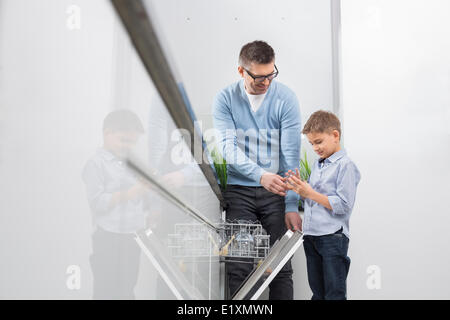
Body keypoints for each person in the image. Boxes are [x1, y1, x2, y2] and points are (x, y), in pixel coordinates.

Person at [213, 40, 301, 299]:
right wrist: (260, 175)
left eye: (271, 75)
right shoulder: (225, 99)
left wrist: (292, 205)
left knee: (281, 265)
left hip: (278, 191)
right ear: (241, 71)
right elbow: (227, 148)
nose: (266, 83)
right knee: (238, 266)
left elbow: (291, 155)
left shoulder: (286, 98)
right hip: (240, 192)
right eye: (259, 77)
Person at [285, 110, 361, 300]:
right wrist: (298, 188)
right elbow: (314, 200)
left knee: (334, 294)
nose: (315, 148)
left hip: (332, 237)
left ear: (335, 135)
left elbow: (343, 205)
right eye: (311, 144)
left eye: (318, 142)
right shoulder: (318, 165)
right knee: (318, 294)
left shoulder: (345, 166)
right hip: (312, 236)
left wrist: (309, 192)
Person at [82, 109, 148, 299]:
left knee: (127, 288)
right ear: (107, 133)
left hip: (132, 236)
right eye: (123, 140)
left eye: (132, 143)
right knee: (106, 290)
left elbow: (140, 197)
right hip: (108, 238)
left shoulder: (131, 163)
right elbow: (97, 202)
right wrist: (131, 192)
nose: (127, 146)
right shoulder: (95, 164)